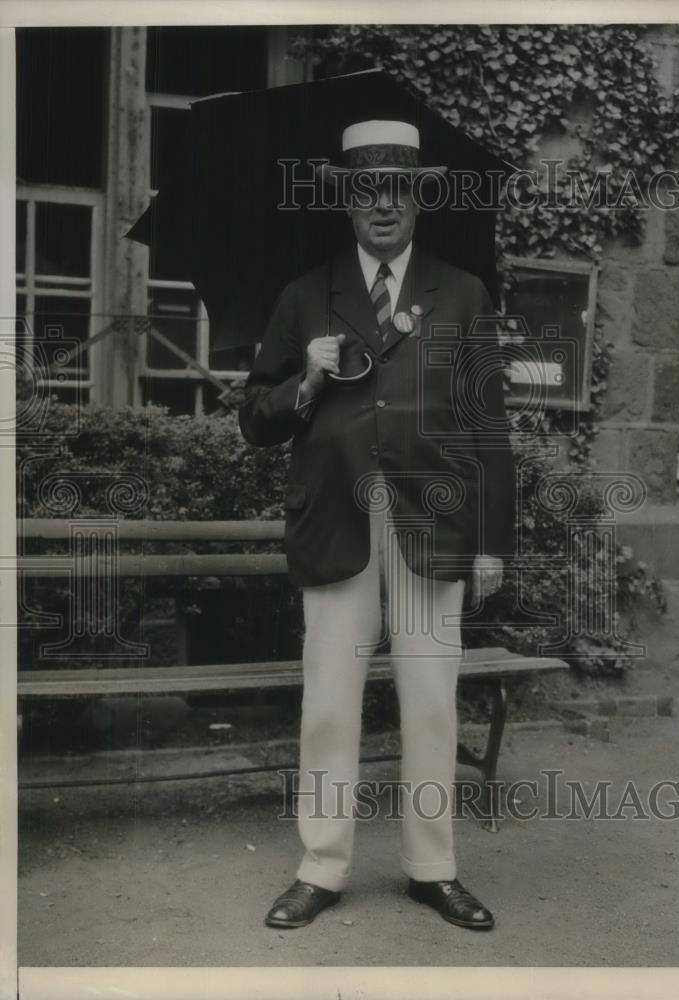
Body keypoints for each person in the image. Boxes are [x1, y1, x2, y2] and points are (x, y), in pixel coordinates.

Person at [239, 120, 516, 931]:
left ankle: (433, 868)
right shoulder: (304, 295)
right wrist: (306, 380)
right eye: (367, 188)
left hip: (436, 521)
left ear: (419, 196)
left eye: (398, 186)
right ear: (347, 200)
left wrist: (495, 541)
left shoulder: (463, 294)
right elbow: (255, 419)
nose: (383, 204)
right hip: (337, 520)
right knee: (329, 702)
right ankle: (321, 868)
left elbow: (490, 425)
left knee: (432, 700)